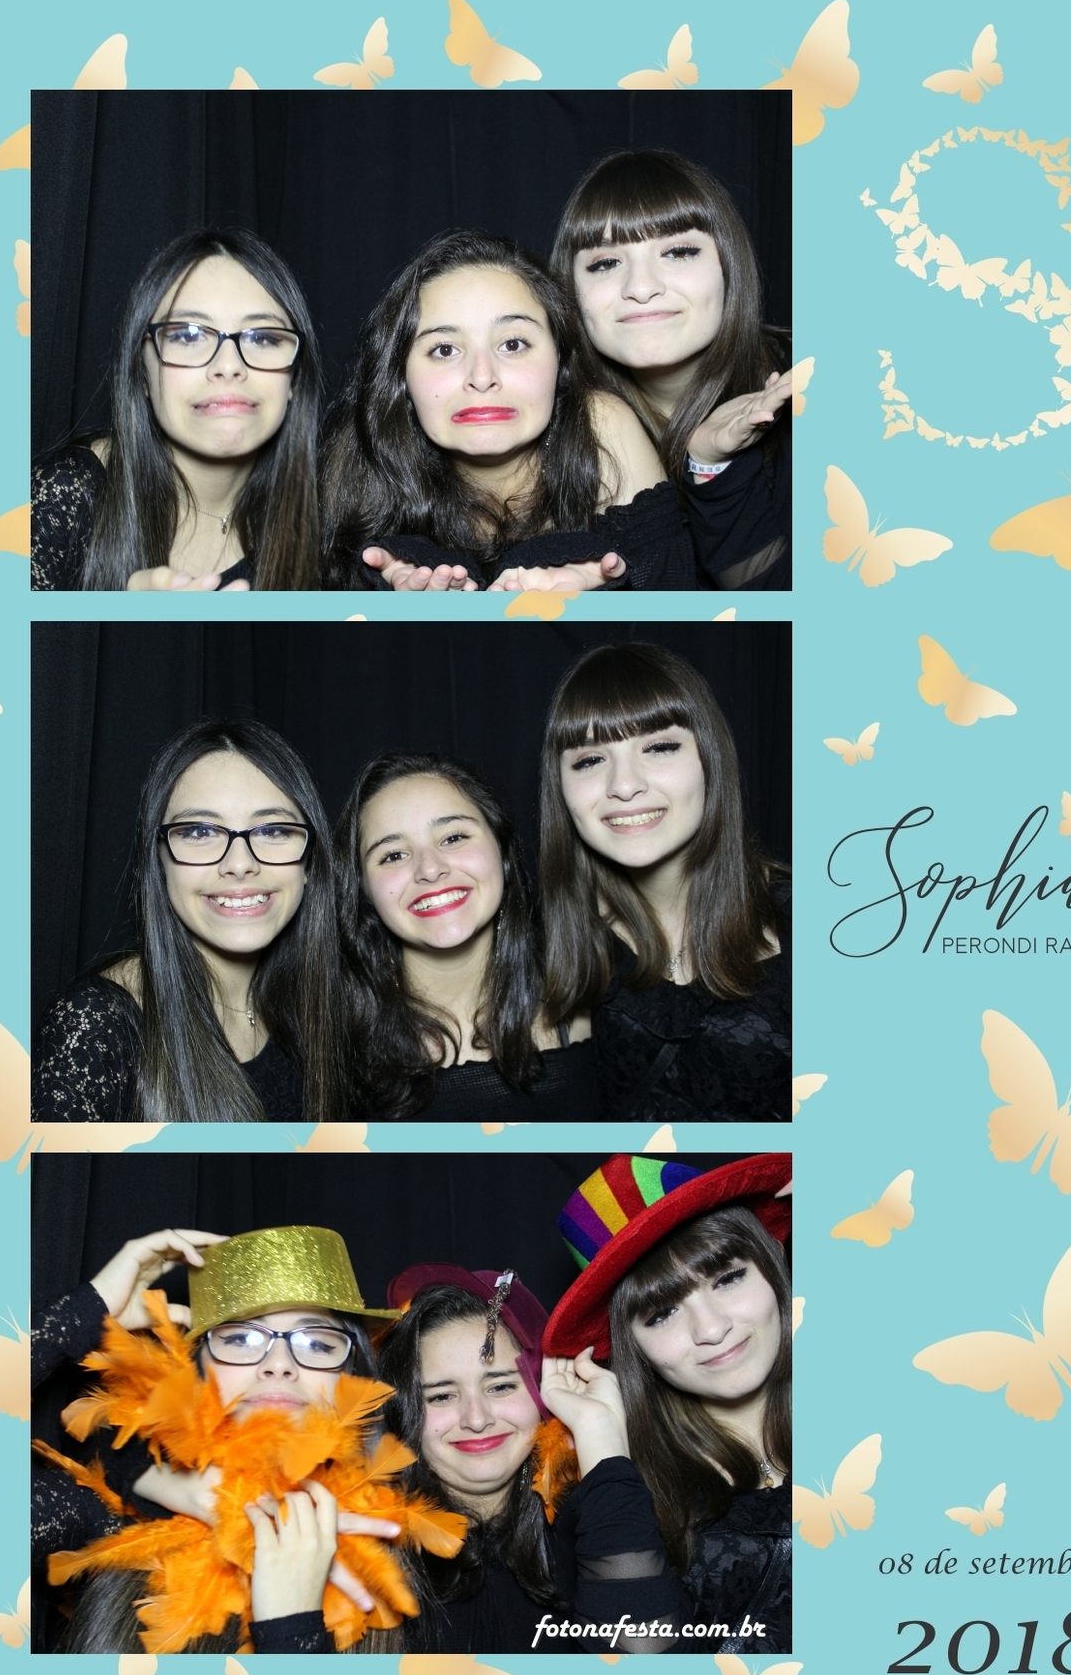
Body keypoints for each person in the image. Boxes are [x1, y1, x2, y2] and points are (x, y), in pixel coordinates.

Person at [33, 1225, 455, 1653]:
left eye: (315, 1343)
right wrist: (79, 1316)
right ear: (196, 1368)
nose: (279, 1363)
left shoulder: (404, 1540)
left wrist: (290, 1624)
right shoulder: (105, 1519)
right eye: (240, 1338)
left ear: (352, 1373)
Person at [320, 230, 695, 591]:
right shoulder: (355, 469)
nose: (482, 377)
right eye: (445, 350)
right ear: (400, 376)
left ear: (560, 360)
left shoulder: (601, 428)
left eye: (513, 344)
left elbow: (674, 604)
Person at [348, 1263, 690, 1652]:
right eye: (441, 1395)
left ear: (542, 1391)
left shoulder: (600, 1518)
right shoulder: (360, 1550)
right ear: (405, 1411)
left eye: (500, 1386)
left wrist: (599, 1435)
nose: (477, 1419)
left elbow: (648, 1665)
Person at [33, 720, 344, 1122]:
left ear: (310, 861)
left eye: (273, 830)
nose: (239, 864)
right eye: (199, 831)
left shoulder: (321, 1007)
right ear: (158, 860)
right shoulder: (95, 1026)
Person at [544, 1153, 793, 1653]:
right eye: (662, 1313)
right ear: (631, 1346)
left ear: (771, 1266)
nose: (712, 1329)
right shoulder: (624, 1501)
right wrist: (601, 1443)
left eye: (728, 1278)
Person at [539, 643, 791, 1120]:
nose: (624, 785)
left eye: (658, 747)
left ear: (710, 759)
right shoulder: (554, 942)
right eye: (590, 760)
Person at [32, 228, 321, 592]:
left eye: (263, 337)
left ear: (295, 376)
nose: (229, 365)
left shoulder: (328, 521)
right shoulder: (62, 496)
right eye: (187, 335)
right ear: (142, 370)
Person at [552, 149, 791, 590]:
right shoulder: (549, 426)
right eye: (606, 263)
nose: (641, 287)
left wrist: (714, 469)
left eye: (679, 252)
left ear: (729, 266)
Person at [335, 751, 597, 1120]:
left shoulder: (586, 1002)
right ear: (363, 889)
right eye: (393, 855)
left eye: (454, 837)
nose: (429, 869)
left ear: (502, 850)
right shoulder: (329, 1039)